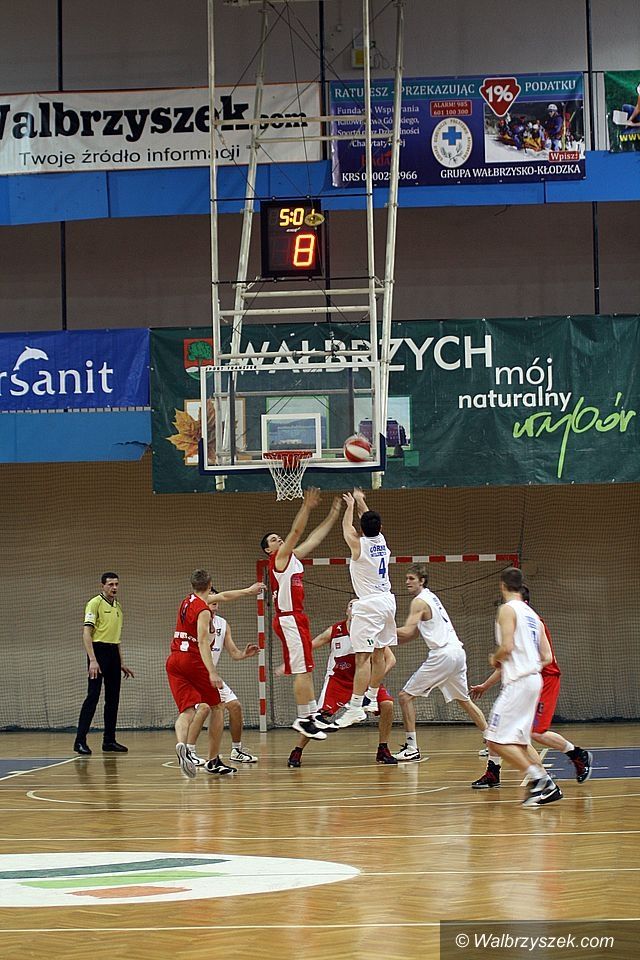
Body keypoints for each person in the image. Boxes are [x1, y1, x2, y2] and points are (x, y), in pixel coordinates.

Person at [470, 584, 592, 789]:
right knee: (501, 730)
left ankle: (574, 755)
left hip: (543, 679)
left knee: (533, 732)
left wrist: (502, 669)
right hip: (523, 681)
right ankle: (497, 771)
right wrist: (486, 685)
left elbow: (543, 658)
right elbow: (509, 662)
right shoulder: (519, 621)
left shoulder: (530, 622)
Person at [260, 487, 343, 741]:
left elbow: (314, 539)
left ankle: (313, 715)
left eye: (278, 537)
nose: (278, 540)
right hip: (288, 618)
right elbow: (296, 532)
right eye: (273, 539)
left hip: (296, 618)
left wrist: (333, 514)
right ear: (268, 550)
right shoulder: (278, 559)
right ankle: (303, 718)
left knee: (306, 668)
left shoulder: (292, 557)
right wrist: (306, 506)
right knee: (301, 670)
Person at [483, 567, 562, 807]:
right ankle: (547, 785)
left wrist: (495, 658)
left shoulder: (508, 609)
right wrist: (529, 665)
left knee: (494, 739)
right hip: (534, 680)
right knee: (518, 741)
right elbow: (547, 656)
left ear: (502, 585)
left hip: (518, 682)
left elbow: (506, 647)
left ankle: (541, 780)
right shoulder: (533, 615)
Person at [392, 564, 488, 762]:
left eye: (411, 578)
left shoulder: (419, 601)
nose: (407, 582)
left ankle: (412, 748)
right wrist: (388, 640)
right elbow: (412, 634)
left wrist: (378, 629)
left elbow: (407, 629)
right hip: (457, 653)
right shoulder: (431, 597)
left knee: (404, 697)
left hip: (443, 654)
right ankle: (493, 741)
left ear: (422, 581)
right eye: (407, 578)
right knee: (464, 700)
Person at [286, 600, 398, 768]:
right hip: (338, 681)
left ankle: (383, 749)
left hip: (364, 682)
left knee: (387, 704)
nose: (354, 608)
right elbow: (311, 645)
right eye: (351, 605)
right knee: (319, 716)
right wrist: (292, 656)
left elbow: (391, 659)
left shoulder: (371, 630)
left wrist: (375, 679)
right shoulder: (336, 630)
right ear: (347, 611)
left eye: (358, 605)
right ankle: (297, 750)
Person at [166, 569, 247, 778]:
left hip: (173, 659)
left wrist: (248, 591)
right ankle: (213, 760)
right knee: (217, 706)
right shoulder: (203, 610)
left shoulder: (186, 601)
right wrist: (212, 672)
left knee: (187, 711)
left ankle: (182, 745)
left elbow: (224, 596)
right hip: (191, 660)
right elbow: (202, 641)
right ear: (210, 585)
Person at [334, 489, 397, 728]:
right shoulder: (381, 541)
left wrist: (350, 504)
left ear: (361, 529)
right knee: (379, 653)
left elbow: (346, 527)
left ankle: (355, 707)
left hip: (369, 604)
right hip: (388, 602)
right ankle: (371, 697)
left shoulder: (358, 545)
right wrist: (361, 499)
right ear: (380, 528)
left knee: (363, 658)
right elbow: (367, 519)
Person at [187, 586, 261, 766]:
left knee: (235, 706)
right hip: (195, 674)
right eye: (211, 599)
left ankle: (236, 750)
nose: (214, 603)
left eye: (216, 600)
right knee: (203, 708)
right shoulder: (196, 620)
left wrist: (244, 654)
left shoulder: (223, 624)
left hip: (211, 677)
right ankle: (189, 752)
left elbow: (234, 653)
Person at [74, 572, 134, 755]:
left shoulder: (118, 607)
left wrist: (120, 662)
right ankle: (79, 741)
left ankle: (109, 741)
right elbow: (86, 633)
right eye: (110, 584)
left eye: (116, 584)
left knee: (113, 699)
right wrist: (92, 660)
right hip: (98, 652)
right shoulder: (94, 603)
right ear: (102, 586)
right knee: (93, 696)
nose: (114, 587)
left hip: (113, 653)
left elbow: (116, 638)